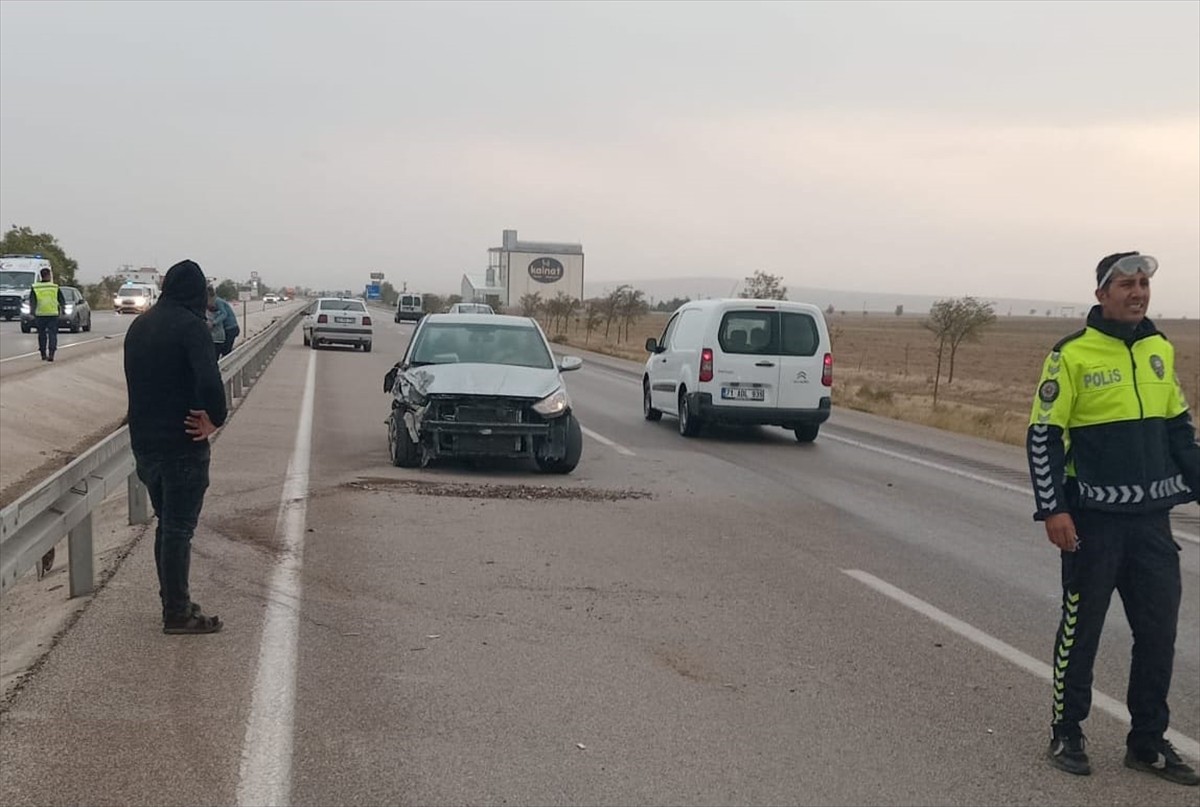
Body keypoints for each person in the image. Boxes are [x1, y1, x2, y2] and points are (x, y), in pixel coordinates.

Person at [1026, 251, 1199, 785]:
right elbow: (1044, 435)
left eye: (1143, 283)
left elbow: (1177, 428)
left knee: (1158, 635)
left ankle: (1146, 741)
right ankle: (1067, 731)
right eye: (1126, 283)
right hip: (1092, 522)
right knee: (1082, 631)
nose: (1138, 292)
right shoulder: (1071, 355)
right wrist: (1053, 507)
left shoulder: (1158, 349)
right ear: (1102, 293)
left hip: (1152, 524)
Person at [125, 260, 228, 634]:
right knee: (178, 529)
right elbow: (210, 382)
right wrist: (216, 418)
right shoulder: (192, 327)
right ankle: (178, 614)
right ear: (198, 292)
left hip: (145, 444)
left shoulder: (141, 325)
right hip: (182, 442)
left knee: (166, 524)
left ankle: (173, 601)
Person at [29, 267, 65, 362]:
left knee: (42, 334)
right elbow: (61, 300)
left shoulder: (35, 287)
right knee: (52, 334)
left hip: (40, 314)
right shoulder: (54, 287)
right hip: (53, 314)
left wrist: (32, 312)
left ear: (41, 276)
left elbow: (32, 301)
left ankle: (43, 354)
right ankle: (52, 354)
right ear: (49, 275)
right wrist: (63, 310)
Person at [214, 293, 240, 357]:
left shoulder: (217, 301)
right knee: (223, 349)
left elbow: (224, 314)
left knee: (226, 351)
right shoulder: (217, 301)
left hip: (230, 328)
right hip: (228, 328)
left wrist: (214, 322)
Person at [206, 285, 228, 356]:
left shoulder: (217, 302)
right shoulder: (211, 307)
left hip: (218, 337)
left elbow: (224, 314)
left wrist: (213, 323)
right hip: (217, 337)